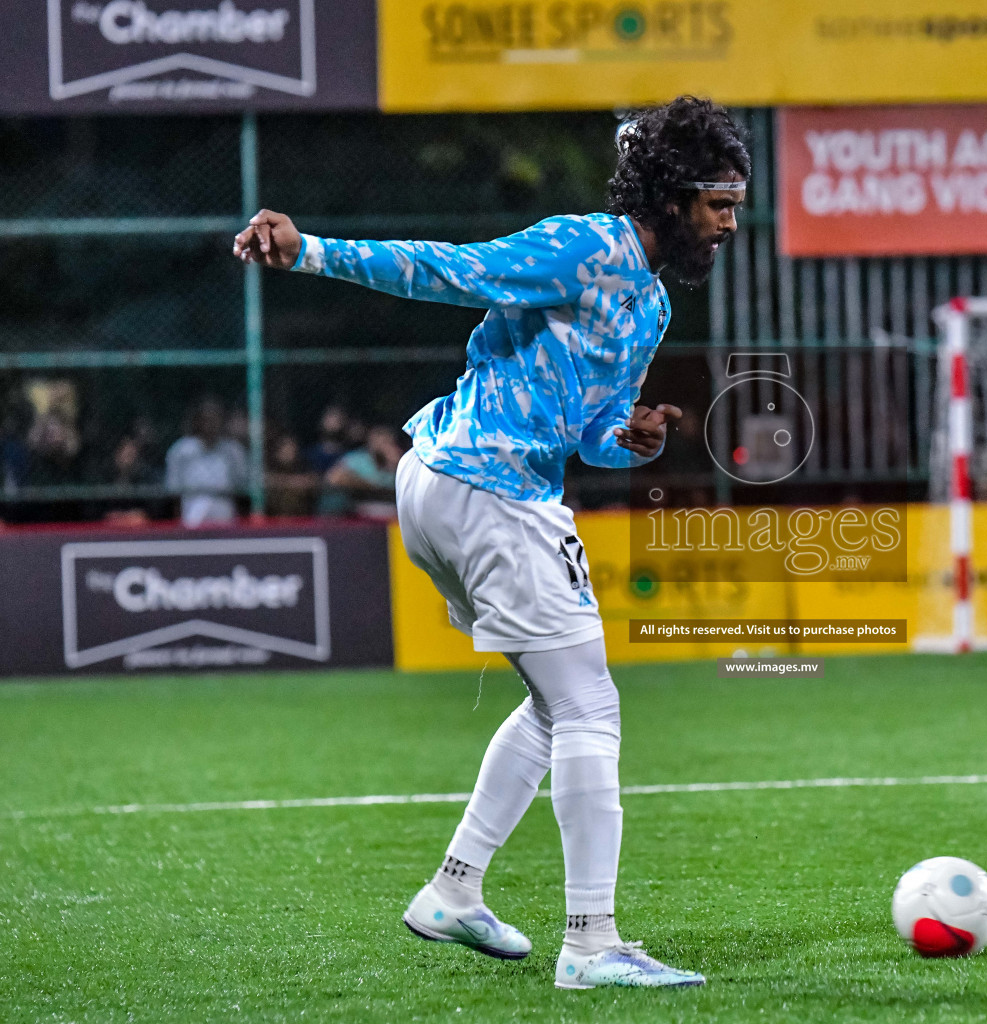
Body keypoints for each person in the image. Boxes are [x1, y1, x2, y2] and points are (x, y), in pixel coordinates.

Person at [233, 96, 748, 989]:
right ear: (670, 196)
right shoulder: (585, 247)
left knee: (557, 709)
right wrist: (311, 250)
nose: (730, 223)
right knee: (591, 709)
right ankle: (591, 944)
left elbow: (585, 427)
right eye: (718, 202)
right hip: (487, 487)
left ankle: (454, 891)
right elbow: (455, 270)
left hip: (457, 484)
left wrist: (625, 437)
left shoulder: (651, 305)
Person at [165, 397, 249, 527]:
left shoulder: (233, 451)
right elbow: (175, 493)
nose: (211, 424)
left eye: (216, 419)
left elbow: (241, 490)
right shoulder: (181, 450)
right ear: (197, 421)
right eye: (206, 419)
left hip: (225, 513)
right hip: (192, 514)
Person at [319, 426, 408, 519]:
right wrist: (371, 485)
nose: (383, 445)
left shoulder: (396, 461)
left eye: (387, 441)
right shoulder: (358, 459)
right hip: (349, 511)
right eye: (380, 440)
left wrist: (395, 464)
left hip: (385, 510)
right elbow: (334, 478)